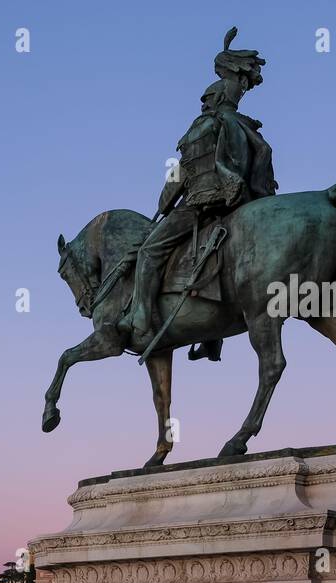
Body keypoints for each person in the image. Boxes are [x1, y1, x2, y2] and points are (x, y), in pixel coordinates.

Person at [119, 28, 276, 358]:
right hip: (239, 205)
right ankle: (210, 337)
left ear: (215, 98)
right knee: (218, 260)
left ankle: (142, 319)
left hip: (203, 204)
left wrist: (163, 202)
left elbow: (183, 172)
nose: (203, 104)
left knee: (149, 251)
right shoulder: (247, 127)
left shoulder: (204, 126)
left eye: (206, 99)